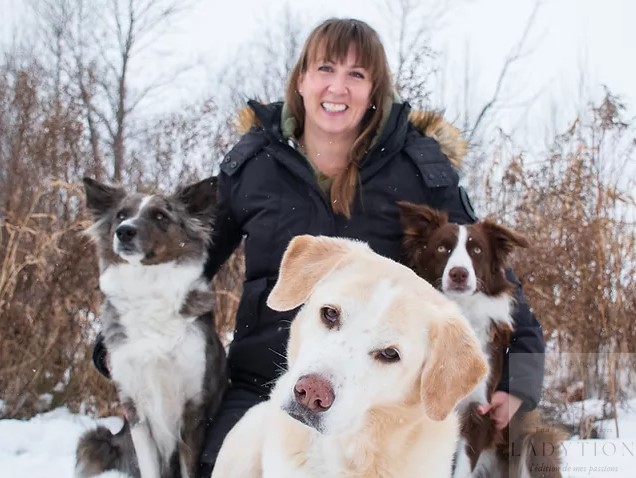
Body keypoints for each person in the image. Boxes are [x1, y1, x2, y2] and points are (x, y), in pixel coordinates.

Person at [92, 18, 546, 477]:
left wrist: (520, 381)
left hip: (377, 401)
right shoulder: (252, 166)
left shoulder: (420, 169)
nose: (338, 87)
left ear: (375, 91)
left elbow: (495, 281)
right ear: (302, 79)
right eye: (326, 68)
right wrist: (113, 341)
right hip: (260, 380)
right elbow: (180, 259)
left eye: (357, 75)